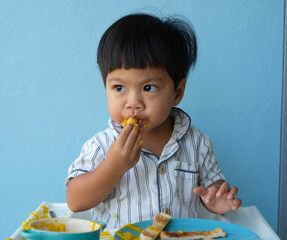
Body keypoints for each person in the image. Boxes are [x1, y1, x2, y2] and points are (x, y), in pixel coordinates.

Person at [66, 13, 241, 229]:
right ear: (106, 87)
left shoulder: (197, 143)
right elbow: (75, 201)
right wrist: (113, 167)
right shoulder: (101, 145)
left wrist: (217, 201)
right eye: (119, 88)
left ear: (177, 93)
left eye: (148, 88)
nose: (133, 103)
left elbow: (213, 190)